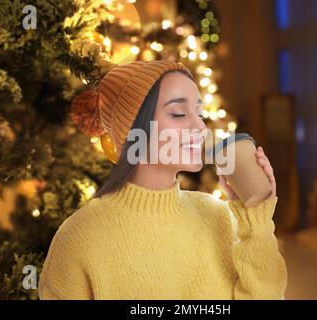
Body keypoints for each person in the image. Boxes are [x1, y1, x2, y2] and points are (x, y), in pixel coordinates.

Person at [38, 60, 287, 300]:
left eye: (199, 113)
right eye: (178, 113)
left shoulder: (221, 216)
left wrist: (257, 218)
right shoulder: (78, 238)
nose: (200, 127)